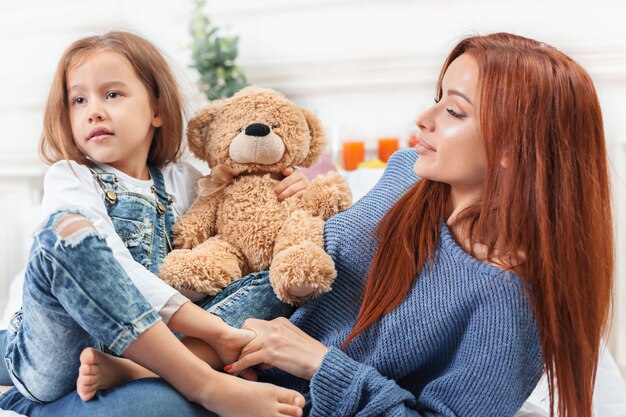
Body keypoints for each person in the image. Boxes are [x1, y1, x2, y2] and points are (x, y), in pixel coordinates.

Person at [1, 32, 614, 417]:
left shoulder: (514, 303)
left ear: (517, 148)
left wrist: (320, 364)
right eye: (436, 96)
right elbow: (306, 255)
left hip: (265, 394)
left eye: (453, 110)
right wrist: (298, 194)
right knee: (63, 241)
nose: (423, 118)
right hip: (221, 354)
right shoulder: (407, 176)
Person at [0, 31, 309, 417]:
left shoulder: (183, 180)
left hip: (150, 349)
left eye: (112, 94)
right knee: (65, 232)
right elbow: (117, 271)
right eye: (78, 100)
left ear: (156, 110)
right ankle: (204, 382)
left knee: (271, 281)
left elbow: (240, 229)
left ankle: (136, 370)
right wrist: (217, 333)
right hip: (59, 355)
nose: (93, 110)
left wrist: (286, 188)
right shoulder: (71, 178)